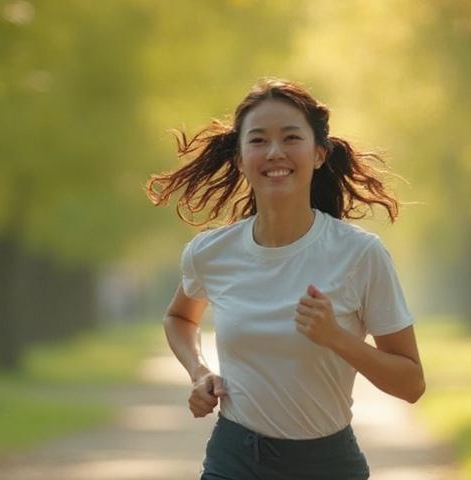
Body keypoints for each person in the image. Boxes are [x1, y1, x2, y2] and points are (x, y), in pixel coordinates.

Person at [146, 79, 424, 480]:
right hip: (236, 459)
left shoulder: (360, 254)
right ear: (240, 158)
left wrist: (336, 337)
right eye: (258, 140)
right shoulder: (211, 252)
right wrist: (199, 371)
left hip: (327, 465)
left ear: (318, 153)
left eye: (291, 138)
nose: (275, 152)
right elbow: (179, 318)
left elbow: (411, 384)